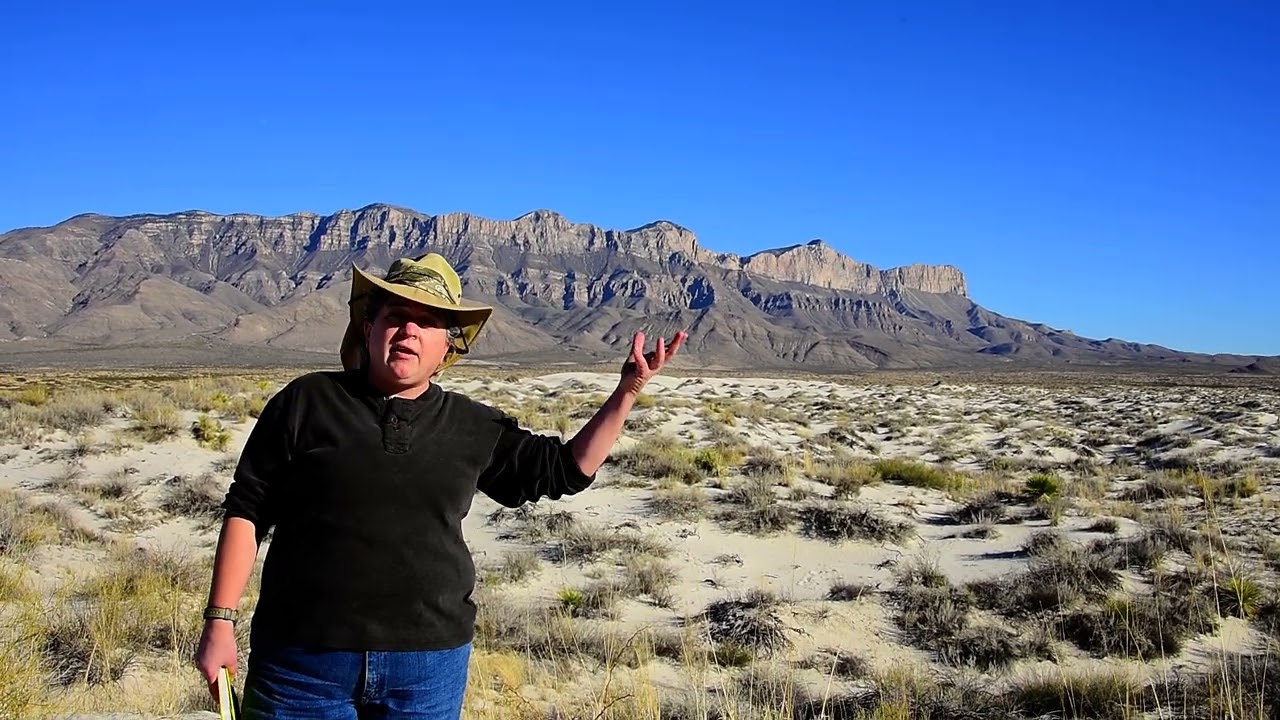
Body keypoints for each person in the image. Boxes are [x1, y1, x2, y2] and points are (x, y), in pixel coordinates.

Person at [194, 252, 687, 719]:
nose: (409, 329)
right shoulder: (307, 401)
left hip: (426, 668)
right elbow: (248, 508)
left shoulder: (472, 427)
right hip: (300, 663)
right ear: (369, 330)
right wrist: (220, 619)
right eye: (395, 316)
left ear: (448, 346)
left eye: (427, 321)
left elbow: (565, 471)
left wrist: (626, 393)